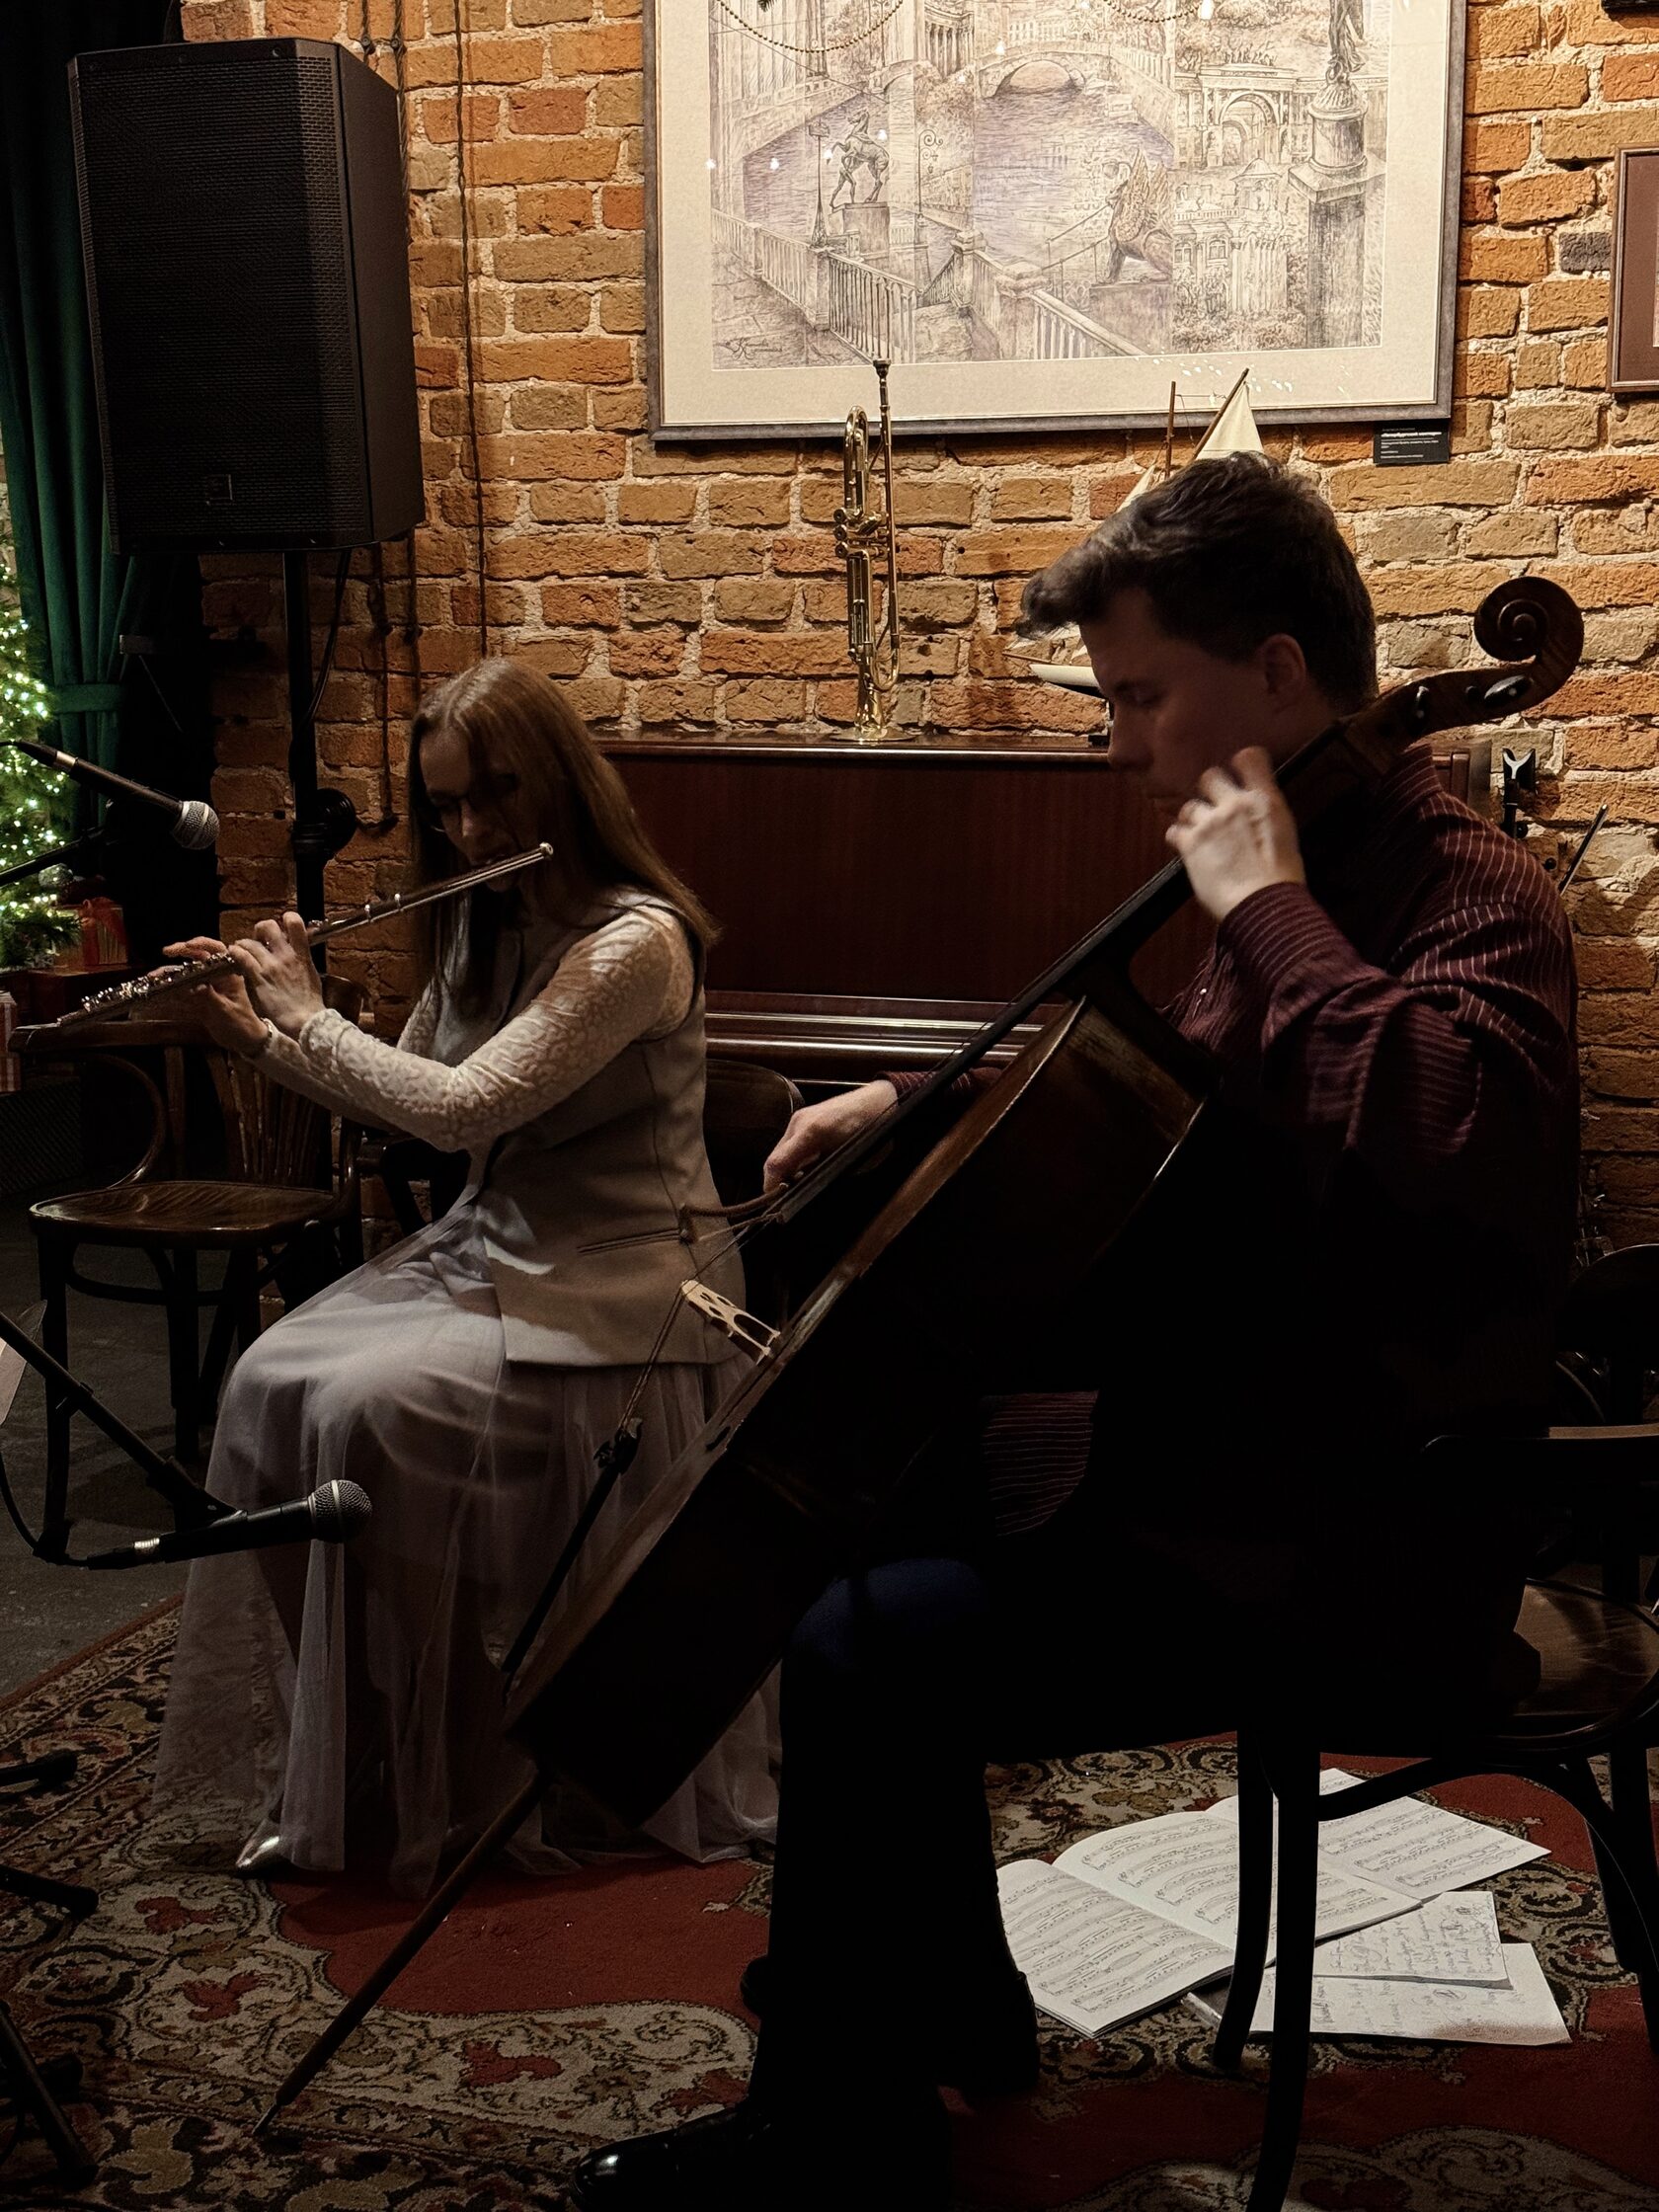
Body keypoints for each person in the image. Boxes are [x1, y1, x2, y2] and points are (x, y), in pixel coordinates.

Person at [570, 454, 1580, 2209]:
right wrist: (910, 1101)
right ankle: (948, 2006)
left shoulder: (1467, 890)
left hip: (1356, 1531)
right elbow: (1147, 1099)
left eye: (1141, 697)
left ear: (1276, 673)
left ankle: (843, 2127)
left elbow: (1438, 1128)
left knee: (863, 1646)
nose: (1119, 746)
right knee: (880, 1514)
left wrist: (1268, 909)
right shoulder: (1283, 885)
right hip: (1226, 1467)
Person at [153, 660, 776, 1897]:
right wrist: (263, 1036)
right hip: (494, 1250)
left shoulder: (634, 941)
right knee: (267, 1384)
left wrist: (304, 1012)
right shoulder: (488, 918)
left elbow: (461, 1108)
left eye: (495, 792)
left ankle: (477, 1751)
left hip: (621, 1287)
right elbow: (407, 1092)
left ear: (562, 781)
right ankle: (373, 1741)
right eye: (446, 805)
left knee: (362, 1411)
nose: (473, 827)